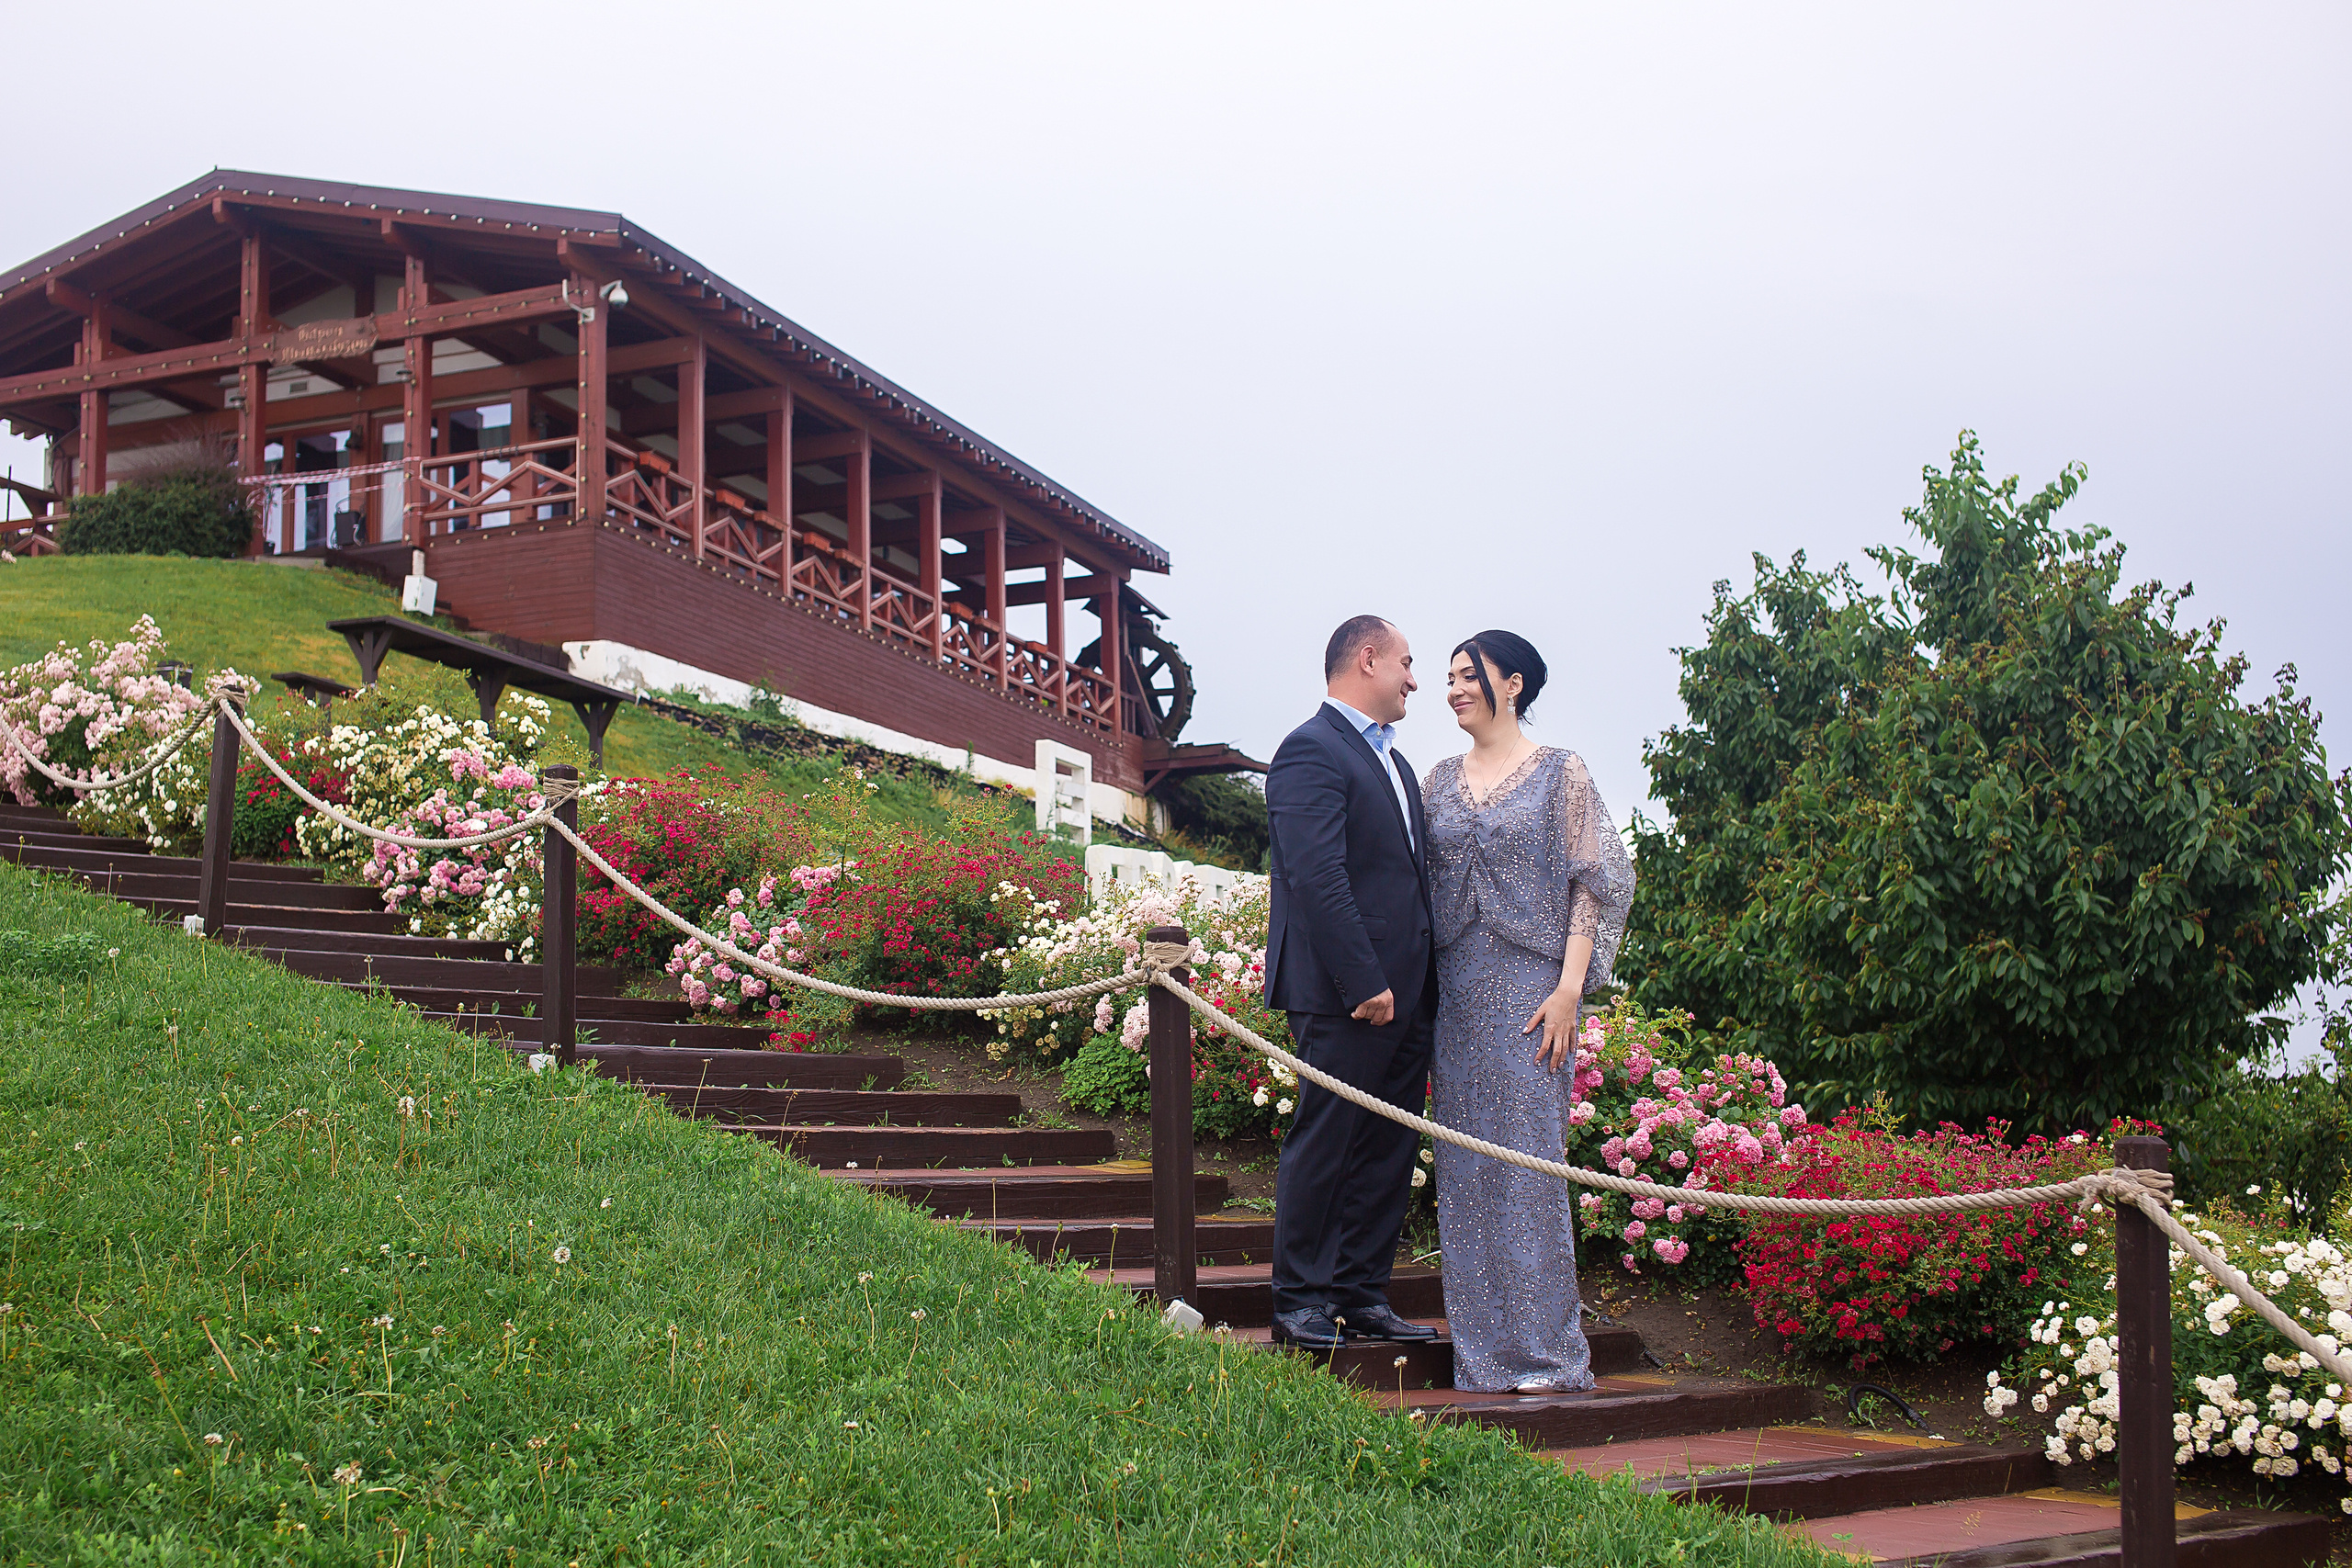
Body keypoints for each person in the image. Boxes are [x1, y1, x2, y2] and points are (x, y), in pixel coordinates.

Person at [1421, 629, 1634, 1393]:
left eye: (1466, 675)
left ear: (1512, 684)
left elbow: (1598, 880)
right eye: (1446, 677)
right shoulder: (1436, 778)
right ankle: (1481, 1355)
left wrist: (1570, 988)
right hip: (1455, 995)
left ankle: (1546, 1354)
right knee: (1466, 1169)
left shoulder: (1560, 771)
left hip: (1533, 993)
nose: (1452, 689)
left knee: (1528, 1169)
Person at [1261, 615, 1442, 1349]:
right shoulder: (1310, 749)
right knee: (1328, 1139)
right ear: (1366, 659)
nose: (1414, 679)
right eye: (1406, 662)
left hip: (1409, 996)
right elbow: (1317, 875)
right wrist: (1362, 978)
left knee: (1389, 1150)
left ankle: (1360, 1294)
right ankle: (1298, 1302)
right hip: (1347, 994)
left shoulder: (1397, 766)